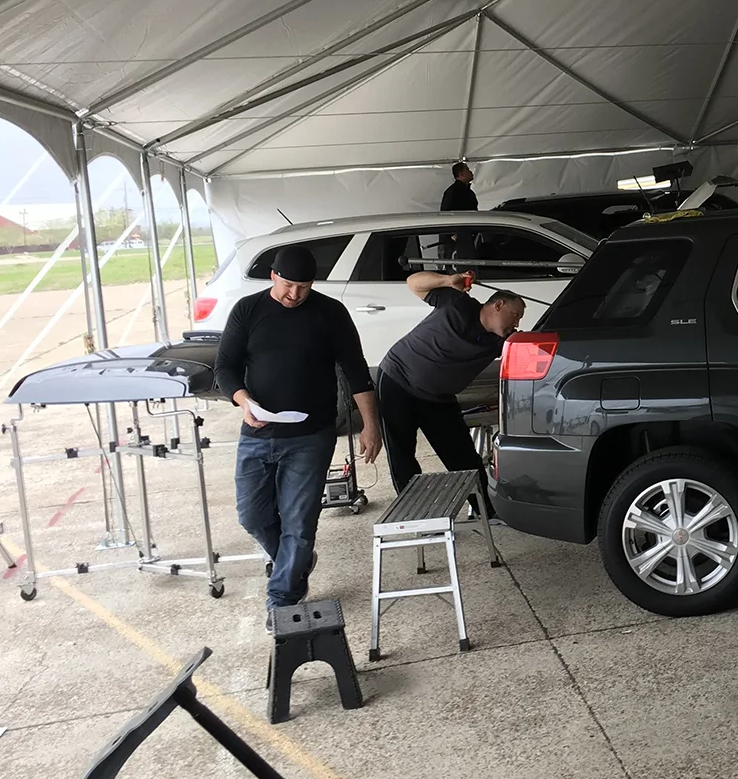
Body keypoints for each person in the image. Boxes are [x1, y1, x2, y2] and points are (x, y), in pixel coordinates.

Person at [215, 244, 382, 631]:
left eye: (304, 287)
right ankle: (297, 561)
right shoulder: (248, 310)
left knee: (299, 522)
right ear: (273, 276)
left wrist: (370, 424)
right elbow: (224, 367)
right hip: (257, 430)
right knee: (251, 516)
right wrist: (243, 401)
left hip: (311, 435)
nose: (295, 294)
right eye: (288, 285)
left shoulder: (330, 313)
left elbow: (357, 371)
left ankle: (281, 599)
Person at [376, 271, 525, 511]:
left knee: (462, 455)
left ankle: (486, 510)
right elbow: (414, 283)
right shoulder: (458, 303)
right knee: (401, 454)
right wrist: (447, 280)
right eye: (515, 315)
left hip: (438, 398)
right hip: (397, 379)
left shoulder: (501, 341)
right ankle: (416, 513)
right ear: (498, 305)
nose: (516, 323)